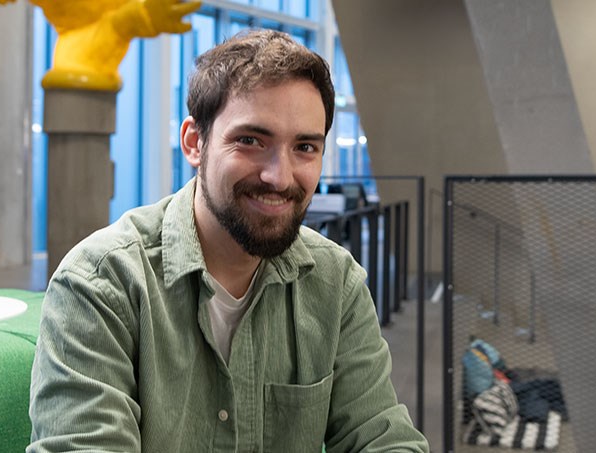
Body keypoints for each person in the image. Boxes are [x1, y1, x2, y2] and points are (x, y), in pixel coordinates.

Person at [28, 29, 429, 452]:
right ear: (194, 143)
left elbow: (383, 437)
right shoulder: (102, 284)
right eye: (251, 141)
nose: (279, 176)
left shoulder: (336, 284)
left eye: (305, 147)